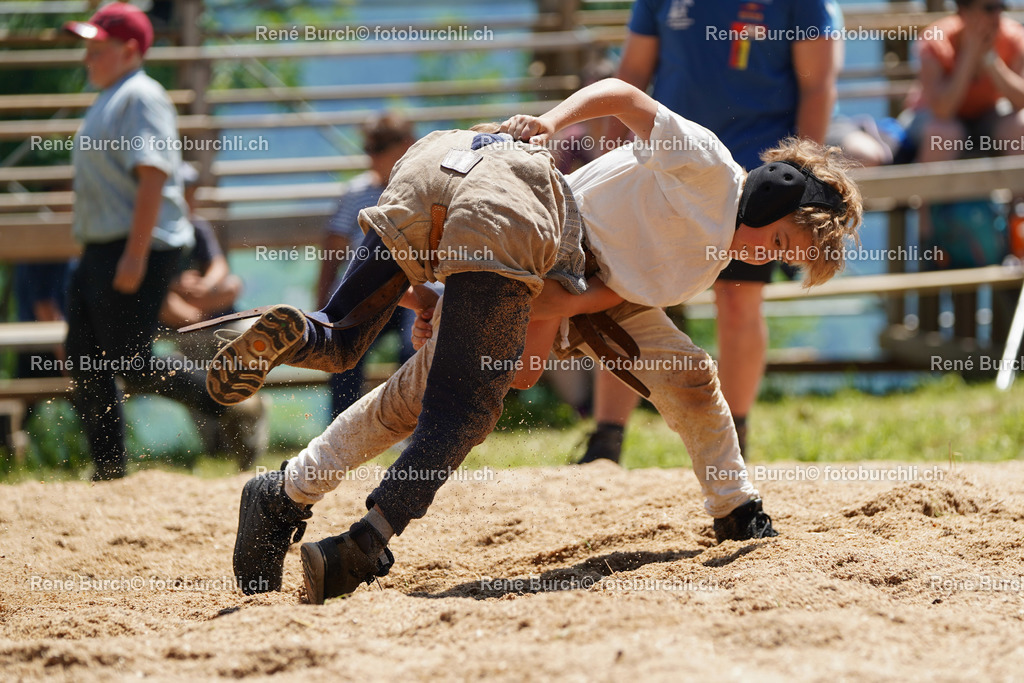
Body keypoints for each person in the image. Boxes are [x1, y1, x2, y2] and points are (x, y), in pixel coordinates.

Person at [203, 78, 861, 603]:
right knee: (435, 392)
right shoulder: (710, 167)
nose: (771, 258)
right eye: (780, 243)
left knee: (688, 375)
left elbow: (603, 297)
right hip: (545, 243)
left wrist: (527, 315)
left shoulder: (711, 257)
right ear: (772, 200)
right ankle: (293, 491)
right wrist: (551, 122)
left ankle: (736, 507)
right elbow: (622, 96)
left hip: (584, 287)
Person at [577, 0, 840, 465]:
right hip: (671, 165)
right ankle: (607, 440)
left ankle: (733, 440)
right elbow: (634, 69)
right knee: (624, 290)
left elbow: (817, 86)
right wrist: (609, 156)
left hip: (761, 186)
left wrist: (801, 186)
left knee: (739, 302)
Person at [62, 4, 259, 480]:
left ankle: (229, 403)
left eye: (97, 47)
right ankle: (109, 467)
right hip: (103, 247)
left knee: (131, 362)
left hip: (136, 246)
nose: (87, 57)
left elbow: (153, 177)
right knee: (84, 354)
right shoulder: (113, 96)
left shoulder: (140, 96)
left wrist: (134, 252)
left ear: (129, 49)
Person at [158, 163, 266, 469]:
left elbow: (220, 270)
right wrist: (181, 289)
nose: (188, 201)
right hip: (183, 319)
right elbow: (159, 290)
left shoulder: (198, 227)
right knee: (203, 376)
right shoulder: (161, 231)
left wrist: (203, 287)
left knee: (233, 287)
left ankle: (238, 432)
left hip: (205, 315)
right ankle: (226, 434)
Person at [315, 113, 418, 421]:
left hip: (417, 289)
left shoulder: (424, 191)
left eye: (378, 147)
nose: (370, 155)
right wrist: (323, 305)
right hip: (365, 291)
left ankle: (408, 425)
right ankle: (340, 428)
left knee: (414, 346)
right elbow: (332, 252)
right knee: (344, 348)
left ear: (406, 146)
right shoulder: (355, 193)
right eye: (369, 147)